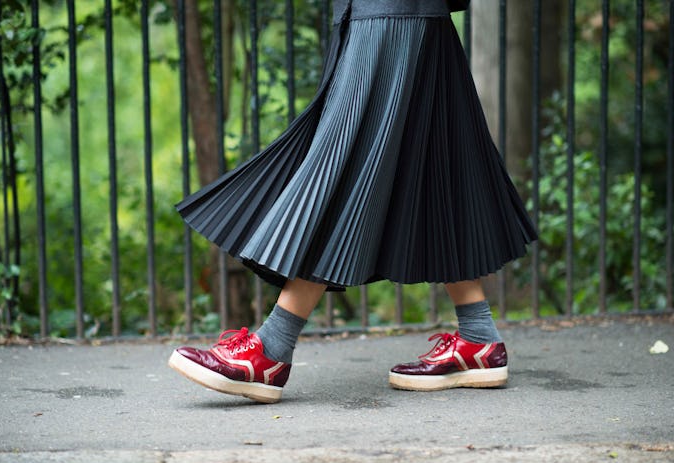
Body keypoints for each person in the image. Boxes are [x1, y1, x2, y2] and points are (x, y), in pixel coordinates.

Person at [168, 0, 537, 404]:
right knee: (435, 165)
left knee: (345, 162)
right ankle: (479, 341)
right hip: (400, 11)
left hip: (391, 11)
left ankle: (271, 349)